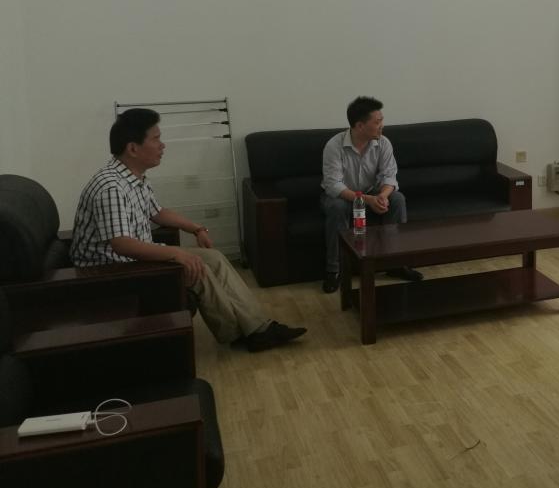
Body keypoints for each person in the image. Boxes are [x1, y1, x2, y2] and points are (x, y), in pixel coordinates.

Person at [71, 109, 306, 352]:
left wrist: (196, 228)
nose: (163, 145)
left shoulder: (134, 177)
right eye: (156, 139)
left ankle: (258, 327)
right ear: (133, 148)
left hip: (133, 260)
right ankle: (239, 332)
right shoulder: (111, 188)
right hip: (111, 274)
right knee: (197, 266)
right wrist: (177, 254)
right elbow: (122, 244)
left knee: (214, 258)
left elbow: (157, 212)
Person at [320, 96, 420, 293]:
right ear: (360, 126)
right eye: (377, 122)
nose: (382, 125)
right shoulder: (334, 145)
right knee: (337, 207)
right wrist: (367, 200)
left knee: (397, 199)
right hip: (342, 196)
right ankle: (334, 270)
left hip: (371, 192)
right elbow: (333, 185)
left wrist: (382, 196)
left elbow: (390, 176)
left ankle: (395, 263)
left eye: (382, 120)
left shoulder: (383, 143)